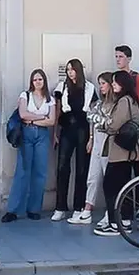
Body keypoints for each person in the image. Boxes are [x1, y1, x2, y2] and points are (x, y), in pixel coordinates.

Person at [92, 70, 139, 237]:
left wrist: (103, 124)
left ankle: (116, 223)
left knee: (111, 186)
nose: (113, 84)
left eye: (115, 82)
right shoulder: (132, 101)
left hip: (121, 151)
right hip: (129, 151)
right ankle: (125, 221)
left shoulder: (124, 102)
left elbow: (114, 125)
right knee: (124, 186)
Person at [3, 69, 55, 222]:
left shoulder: (49, 99)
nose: (37, 82)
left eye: (40, 79)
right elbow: (23, 114)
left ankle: (34, 208)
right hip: (26, 133)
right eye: (34, 79)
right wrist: (41, 117)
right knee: (22, 170)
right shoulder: (25, 95)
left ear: (44, 81)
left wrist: (33, 120)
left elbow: (52, 120)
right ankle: (13, 210)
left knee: (40, 171)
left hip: (42, 135)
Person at [52, 59, 97, 223]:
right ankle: (60, 207)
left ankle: (79, 207)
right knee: (62, 167)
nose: (70, 73)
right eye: (68, 70)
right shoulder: (62, 87)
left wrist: (91, 138)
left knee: (82, 168)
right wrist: (55, 132)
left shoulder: (90, 88)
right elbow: (57, 110)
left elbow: (92, 114)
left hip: (83, 130)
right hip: (66, 129)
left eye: (73, 69)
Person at [83, 72, 116, 229]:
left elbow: (108, 123)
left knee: (109, 180)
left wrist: (98, 120)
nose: (101, 86)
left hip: (108, 142)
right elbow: (91, 119)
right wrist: (90, 138)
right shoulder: (98, 104)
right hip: (96, 140)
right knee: (93, 176)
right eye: (100, 83)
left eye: (103, 83)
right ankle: (88, 208)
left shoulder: (115, 104)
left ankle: (110, 213)